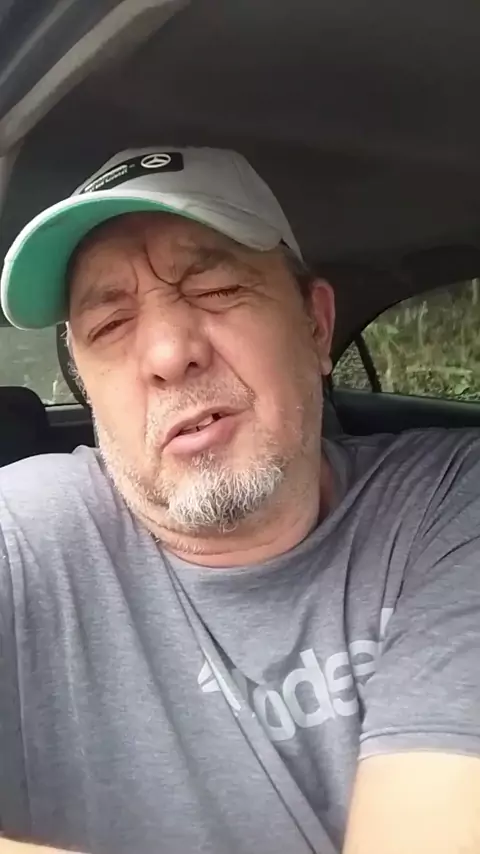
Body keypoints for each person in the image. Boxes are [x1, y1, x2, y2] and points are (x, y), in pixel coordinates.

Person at [0, 146, 479, 854]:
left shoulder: (449, 500)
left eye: (216, 289)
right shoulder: (26, 537)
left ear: (315, 325)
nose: (169, 354)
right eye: (109, 326)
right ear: (86, 385)